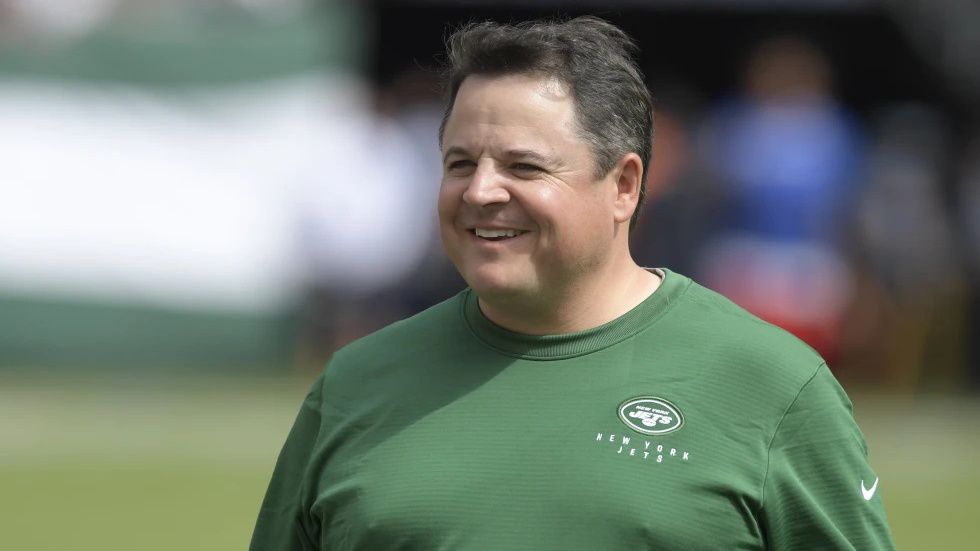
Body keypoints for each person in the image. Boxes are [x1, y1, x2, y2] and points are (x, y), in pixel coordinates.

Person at [250, 16, 895, 550]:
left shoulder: (773, 384)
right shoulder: (356, 383)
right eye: (460, 162)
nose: (480, 191)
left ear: (624, 186)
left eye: (524, 166)